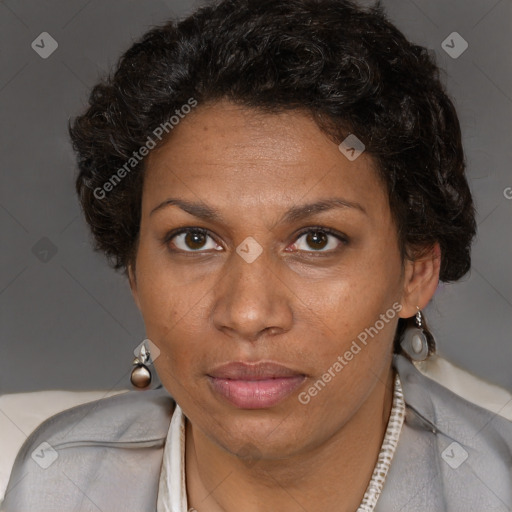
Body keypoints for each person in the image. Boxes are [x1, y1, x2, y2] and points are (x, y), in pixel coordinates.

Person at [2, 0, 511, 510]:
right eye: (194, 239)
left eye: (317, 240)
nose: (248, 314)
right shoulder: (56, 482)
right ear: (134, 270)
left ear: (416, 273)